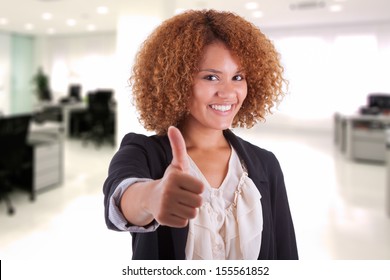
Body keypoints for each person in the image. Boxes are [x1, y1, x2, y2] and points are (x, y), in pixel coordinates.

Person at [103, 9, 298, 260]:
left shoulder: (265, 165)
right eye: (211, 77)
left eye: (237, 77)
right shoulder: (143, 152)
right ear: (176, 82)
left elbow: (285, 253)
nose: (228, 93)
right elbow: (122, 198)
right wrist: (152, 197)